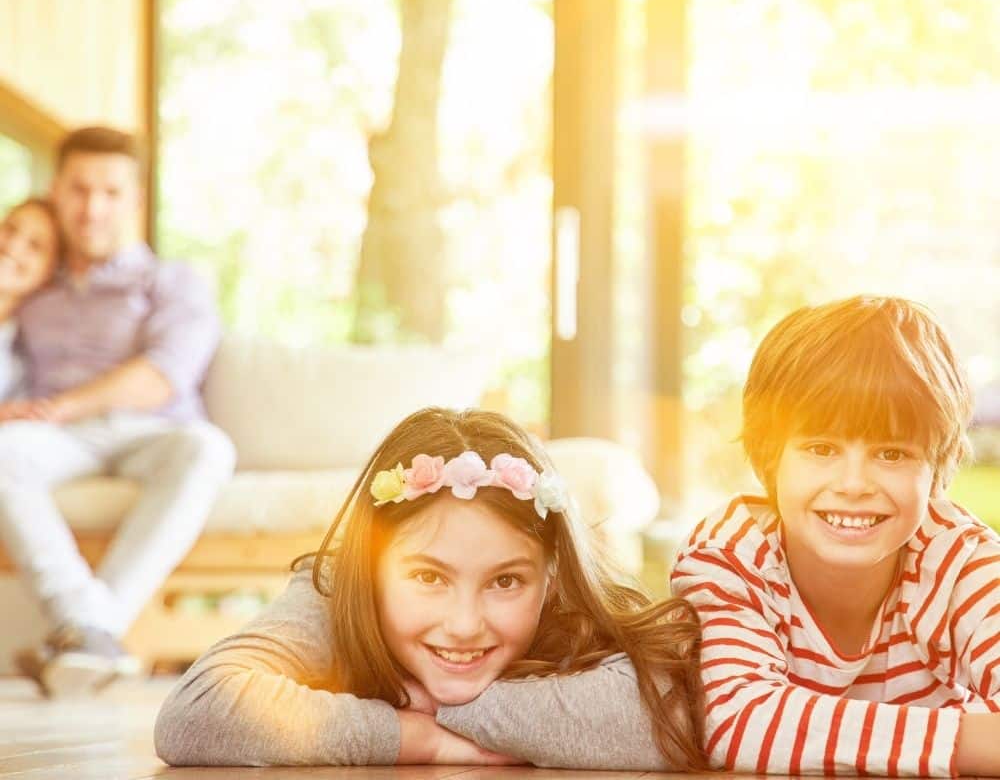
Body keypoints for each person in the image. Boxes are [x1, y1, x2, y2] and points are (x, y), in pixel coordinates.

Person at [154, 407, 706, 770]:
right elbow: (198, 711)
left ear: (552, 576)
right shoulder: (333, 593)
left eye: (506, 581)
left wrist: (446, 709)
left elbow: (670, 715)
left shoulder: (567, 608)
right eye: (428, 577)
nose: (464, 623)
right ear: (369, 568)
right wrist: (413, 737)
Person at [670, 295, 1000, 776]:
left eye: (890, 454)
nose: (853, 485)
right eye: (821, 448)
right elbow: (734, 721)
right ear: (770, 455)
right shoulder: (731, 557)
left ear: (936, 468)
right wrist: (974, 738)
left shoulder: (959, 561)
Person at [0, 126, 236, 697]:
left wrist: (67, 405)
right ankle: (92, 631)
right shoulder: (35, 285)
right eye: (79, 190)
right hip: (60, 440)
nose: (91, 208)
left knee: (210, 448)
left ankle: (85, 629)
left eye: (109, 192)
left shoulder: (173, 280)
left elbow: (163, 376)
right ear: (57, 191)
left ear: (133, 200)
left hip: (152, 431)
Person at [0, 198, 61, 398]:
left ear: (48, 275)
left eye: (35, 245)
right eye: (10, 229)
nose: (13, 246)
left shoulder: (19, 362)